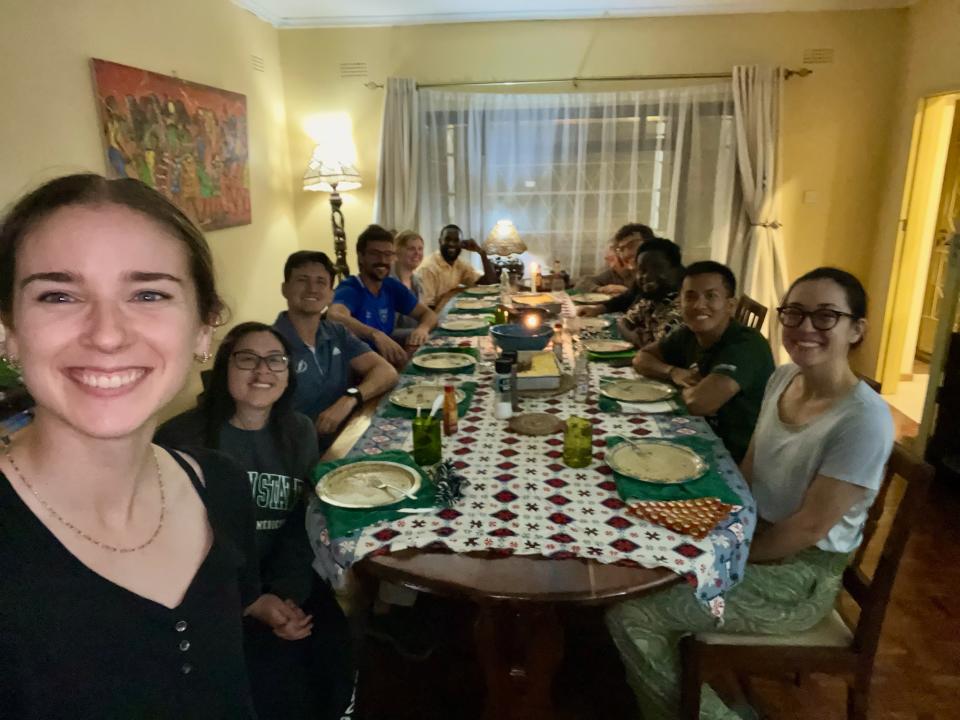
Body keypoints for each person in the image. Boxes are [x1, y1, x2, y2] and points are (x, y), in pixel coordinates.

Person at [0, 173, 260, 718]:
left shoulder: (223, 487)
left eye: (148, 293)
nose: (108, 334)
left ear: (204, 328)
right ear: (8, 331)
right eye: (59, 295)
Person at [606, 267, 894, 720]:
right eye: (795, 313)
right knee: (635, 535)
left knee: (630, 612)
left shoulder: (863, 420)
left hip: (797, 578)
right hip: (752, 532)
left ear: (856, 329)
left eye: (825, 317)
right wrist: (712, 526)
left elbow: (807, 529)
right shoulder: (783, 378)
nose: (804, 328)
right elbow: (747, 471)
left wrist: (719, 556)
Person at [156, 322, 354, 720]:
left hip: (284, 578)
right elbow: (169, 543)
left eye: (275, 361)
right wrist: (249, 602)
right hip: (211, 595)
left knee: (337, 656)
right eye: (247, 359)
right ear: (225, 366)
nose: (262, 372)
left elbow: (302, 520)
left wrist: (286, 593)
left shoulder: (298, 431)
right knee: (275, 688)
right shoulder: (181, 439)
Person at [632, 261, 774, 463]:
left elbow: (699, 403)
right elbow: (641, 358)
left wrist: (689, 390)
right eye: (690, 297)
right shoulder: (689, 332)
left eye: (711, 296)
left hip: (734, 458)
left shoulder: (746, 345)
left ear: (730, 306)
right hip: (694, 434)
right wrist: (672, 372)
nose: (698, 305)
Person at [273, 250, 397, 449]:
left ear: (331, 295)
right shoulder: (269, 346)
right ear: (284, 289)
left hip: (346, 438)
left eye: (321, 282)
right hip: (299, 453)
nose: (312, 289)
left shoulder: (336, 332)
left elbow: (387, 372)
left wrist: (350, 399)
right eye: (302, 280)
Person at [328, 224, 437, 368]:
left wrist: (421, 329)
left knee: (434, 338)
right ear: (361, 257)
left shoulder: (390, 285)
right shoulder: (351, 288)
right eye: (375, 253)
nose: (383, 260)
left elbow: (428, 314)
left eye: (388, 254)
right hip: (357, 365)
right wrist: (375, 334)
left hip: (386, 357)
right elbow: (334, 317)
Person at [578, 237, 684, 348]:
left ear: (677, 270)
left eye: (657, 267)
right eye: (642, 270)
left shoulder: (680, 308)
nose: (647, 276)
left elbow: (656, 352)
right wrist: (632, 336)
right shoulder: (650, 300)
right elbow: (623, 321)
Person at [415, 224, 497, 308]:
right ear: (440, 241)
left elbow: (489, 282)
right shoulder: (428, 268)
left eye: (456, 240)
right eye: (447, 239)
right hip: (434, 316)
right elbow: (426, 309)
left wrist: (481, 253)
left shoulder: (459, 264)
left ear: (461, 244)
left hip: (450, 312)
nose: (451, 244)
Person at [575, 223, 656, 295]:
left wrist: (626, 292)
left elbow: (655, 301)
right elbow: (582, 283)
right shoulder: (619, 271)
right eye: (621, 248)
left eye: (631, 245)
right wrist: (600, 289)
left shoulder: (657, 269)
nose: (626, 253)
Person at [390, 229, 425, 343]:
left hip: (415, 341)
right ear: (397, 252)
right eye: (411, 249)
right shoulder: (389, 284)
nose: (417, 253)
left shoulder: (417, 281)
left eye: (420, 249)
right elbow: (387, 332)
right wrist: (420, 331)